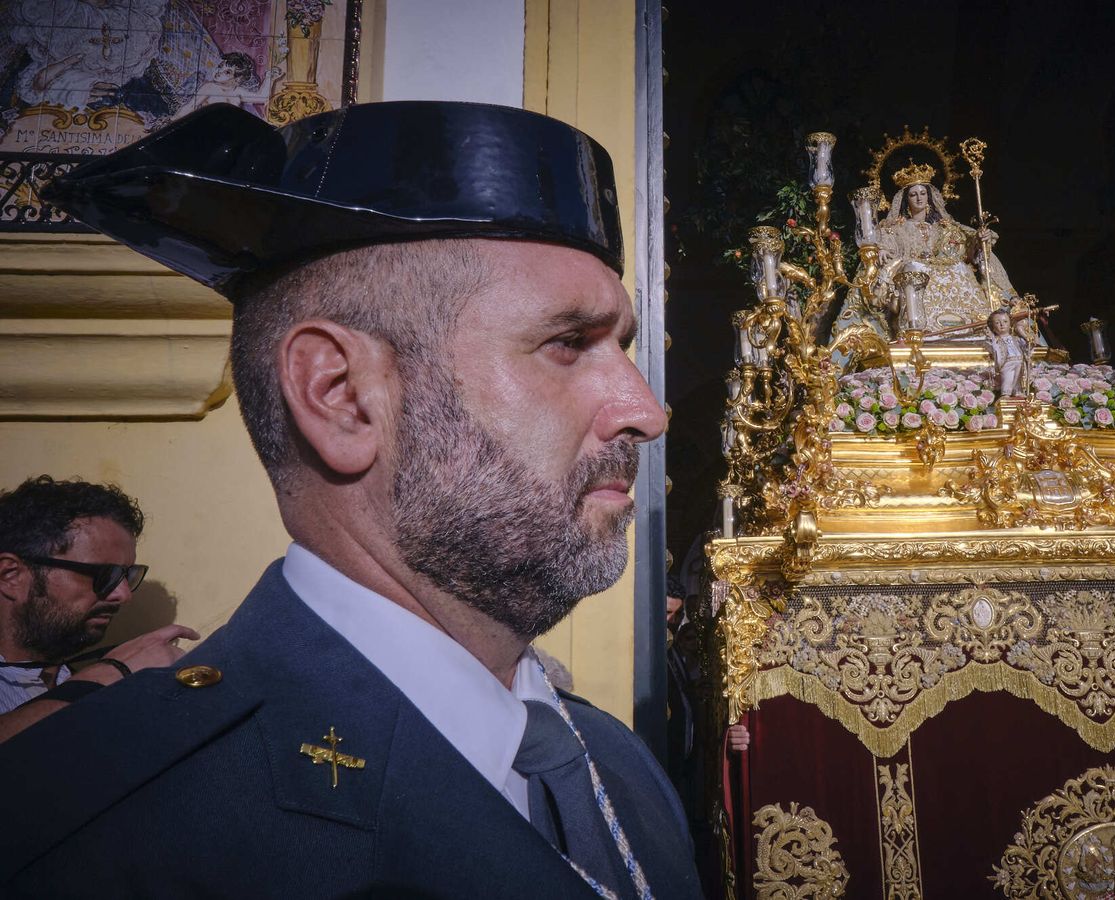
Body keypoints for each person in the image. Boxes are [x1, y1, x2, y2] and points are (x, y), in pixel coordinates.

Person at [1, 101, 701, 898]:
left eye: (625, 347)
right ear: (341, 396)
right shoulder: (96, 830)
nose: (645, 411)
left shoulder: (621, 771)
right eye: (567, 344)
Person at [0, 476, 196, 740]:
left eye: (128, 575)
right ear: (11, 575)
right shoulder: (100, 678)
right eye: (104, 575)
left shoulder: (66, 675)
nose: (123, 595)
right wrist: (112, 671)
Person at [874, 163, 1021, 336]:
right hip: (915, 270)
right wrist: (882, 249)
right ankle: (919, 326)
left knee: (961, 268)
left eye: (923, 194)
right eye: (914, 195)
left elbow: (967, 249)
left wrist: (979, 240)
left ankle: (975, 323)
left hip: (945, 267)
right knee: (912, 269)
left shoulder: (945, 227)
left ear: (929, 197)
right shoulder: (896, 228)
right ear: (907, 200)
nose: (919, 198)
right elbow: (887, 244)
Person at [985, 309, 1033, 398]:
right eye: (997, 323)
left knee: (1018, 378)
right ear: (993, 328)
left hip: (1019, 360)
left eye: (1005, 321)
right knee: (1008, 378)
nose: (1002, 324)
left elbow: (1026, 347)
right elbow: (992, 347)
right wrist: (991, 338)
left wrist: (1029, 341)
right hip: (1006, 363)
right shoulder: (996, 340)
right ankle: (1006, 393)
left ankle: (1017, 391)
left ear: (1010, 323)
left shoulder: (1016, 339)